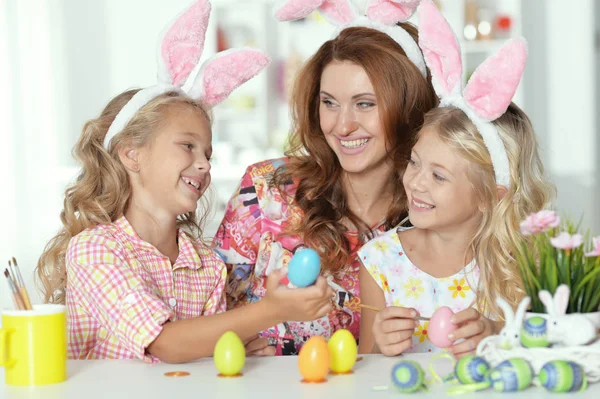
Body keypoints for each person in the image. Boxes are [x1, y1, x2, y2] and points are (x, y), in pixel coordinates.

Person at [35, 0, 333, 364]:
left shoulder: (205, 264)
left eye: (207, 154)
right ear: (132, 154)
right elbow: (164, 344)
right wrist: (270, 311)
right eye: (187, 146)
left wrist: (230, 346)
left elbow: (200, 356)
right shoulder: (96, 250)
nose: (204, 164)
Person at [214, 0, 437, 355]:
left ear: (408, 108)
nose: (342, 125)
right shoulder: (266, 190)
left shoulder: (430, 217)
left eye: (365, 103)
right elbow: (205, 312)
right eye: (329, 102)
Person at [358, 0, 555, 358]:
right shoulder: (382, 261)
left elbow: (564, 351)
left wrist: (501, 334)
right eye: (415, 162)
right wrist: (379, 344)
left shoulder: (524, 264)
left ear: (489, 196)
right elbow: (365, 367)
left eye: (438, 176)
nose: (416, 183)